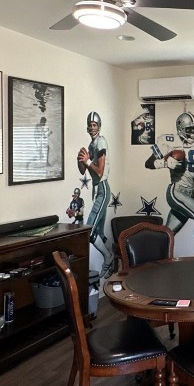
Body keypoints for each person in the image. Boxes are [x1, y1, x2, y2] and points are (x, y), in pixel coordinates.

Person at [145, 112, 194, 258]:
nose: (193, 133)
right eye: (189, 129)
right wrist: (165, 163)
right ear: (180, 129)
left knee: (167, 233)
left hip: (189, 193)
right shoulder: (168, 141)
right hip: (176, 191)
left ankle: (151, 258)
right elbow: (148, 163)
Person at [77, 112, 113, 278]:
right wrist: (81, 160)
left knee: (89, 230)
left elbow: (99, 171)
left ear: (99, 126)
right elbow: (83, 171)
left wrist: (87, 161)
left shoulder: (101, 142)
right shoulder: (92, 144)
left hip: (102, 189)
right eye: (90, 125)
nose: (92, 127)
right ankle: (112, 257)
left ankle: (108, 257)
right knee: (99, 232)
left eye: (94, 125)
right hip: (97, 190)